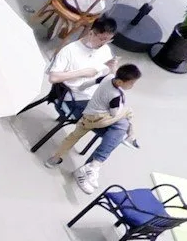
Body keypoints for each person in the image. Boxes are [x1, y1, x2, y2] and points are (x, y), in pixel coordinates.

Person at [43, 63, 140, 192]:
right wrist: (125, 111)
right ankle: (97, 163)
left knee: (73, 137)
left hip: (86, 115)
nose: (132, 86)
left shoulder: (108, 77)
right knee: (126, 117)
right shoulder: (116, 96)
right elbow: (114, 114)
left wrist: (80, 88)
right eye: (131, 83)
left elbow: (90, 82)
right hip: (99, 120)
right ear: (122, 82)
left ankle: (55, 158)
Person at [24, 17, 117, 127]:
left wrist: (113, 69)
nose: (104, 43)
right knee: (112, 125)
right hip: (74, 98)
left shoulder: (105, 50)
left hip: (93, 96)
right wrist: (82, 72)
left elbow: (108, 78)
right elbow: (53, 78)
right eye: (102, 39)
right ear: (91, 33)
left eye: (109, 40)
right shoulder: (70, 51)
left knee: (118, 119)